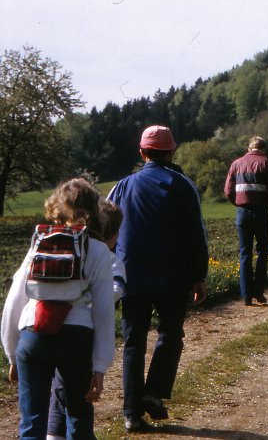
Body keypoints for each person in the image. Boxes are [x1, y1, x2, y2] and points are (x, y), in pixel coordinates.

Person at [107, 125, 209, 432]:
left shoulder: (122, 186)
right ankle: (153, 392)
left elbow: (106, 232)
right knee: (171, 334)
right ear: (172, 152)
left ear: (142, 152)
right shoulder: (183, 185)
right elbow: (196, 234)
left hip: (130, 276)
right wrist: (199, 276)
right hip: (172, 277)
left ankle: (131, 414)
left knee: (133, 342)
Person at [2, 179, 115, 440]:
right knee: (78, 414)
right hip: (76, 339)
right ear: (93, 210)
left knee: (32, 421)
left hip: (32, 335)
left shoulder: (39, 242)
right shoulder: (96, 250)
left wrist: (11, 353)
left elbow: (14, 299)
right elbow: (104, 312)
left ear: (55, 207)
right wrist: (100, 366)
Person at [46, 198, 125, 440]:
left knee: (59, 391)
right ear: (110, 233)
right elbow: (114, 292)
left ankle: (53, 435)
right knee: (79, 399)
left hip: (52, 327)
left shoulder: (68, 249)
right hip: (83, 334)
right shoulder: (110, 259)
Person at [224, 136, 268, 306]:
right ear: (263, 149)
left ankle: (246, 296)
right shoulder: (267, 164)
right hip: (261, 213)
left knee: (245, 253)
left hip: (242, 213)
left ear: (249, 148)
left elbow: (228, 190)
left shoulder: (236, 164)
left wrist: (238, 203)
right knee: (262, 252)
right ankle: (259, 292)